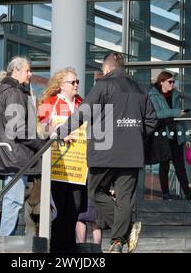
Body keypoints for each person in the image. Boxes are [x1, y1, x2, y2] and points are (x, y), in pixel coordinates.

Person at [58, 52, 157, 253]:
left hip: (104, 152)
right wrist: (136, 136)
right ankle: (118, 241)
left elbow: (83, 112)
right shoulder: (140, 90)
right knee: (124, 198)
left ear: (107, 69)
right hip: (131, 153)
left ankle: (124, 232)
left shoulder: (103, 85)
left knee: (95, 191)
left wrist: (61, 132)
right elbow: (152, 121)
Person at [0, 56, 44, 236]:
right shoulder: (15, 93)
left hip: (10, 154)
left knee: (12, 199)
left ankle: (5, 239)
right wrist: (40, 144)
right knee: (14, 201)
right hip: (15, 156)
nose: (30, 74)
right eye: (27, 70)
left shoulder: (7, 91)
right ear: (16, 71)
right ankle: (5, 242)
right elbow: (18, 127)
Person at [38, 67, 87, 253]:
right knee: (59, 207)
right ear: (60, 85)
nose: (76, 85)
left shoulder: (82, 104)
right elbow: (40, 130)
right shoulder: (48, 102)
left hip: (79, 166)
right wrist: (58, 134)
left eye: (77, 82)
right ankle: (58, 248)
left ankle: (70, 246)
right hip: (58, 165)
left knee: (75, 208)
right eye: (72, 82)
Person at [146, 71, 191, 201]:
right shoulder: (153, 96)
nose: (173, 84)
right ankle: (165, 194)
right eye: (170, 82)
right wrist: (176, 112)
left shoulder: (175, 95)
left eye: (173, 82)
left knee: (180, 165)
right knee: (164, 164)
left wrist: (187, 137)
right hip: (163, 134)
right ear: (162, 83)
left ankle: (187, 194)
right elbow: (157, 114)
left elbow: (180, 120)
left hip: (176, 134)